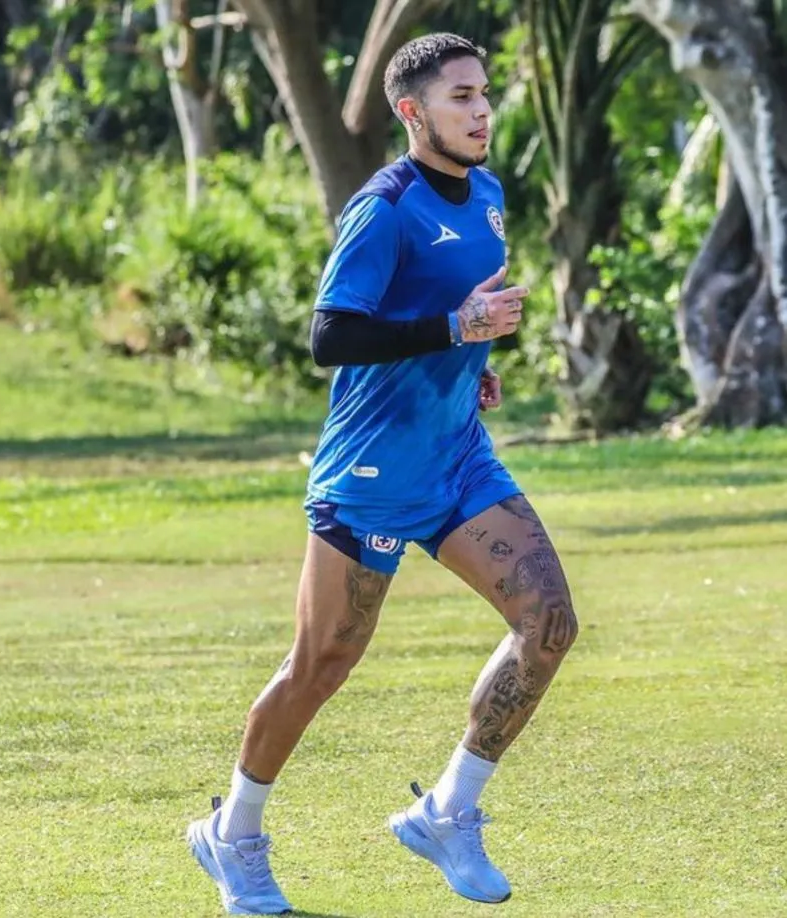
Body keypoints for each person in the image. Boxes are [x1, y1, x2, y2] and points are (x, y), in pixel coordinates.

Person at [186, 32, 578, 915]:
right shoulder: (384, 207)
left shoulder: (488, 195)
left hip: (458, 457)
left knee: (548, 621)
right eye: (460, 97)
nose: (481, 110)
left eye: (484, 93)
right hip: (371, 473)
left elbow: (455, 312)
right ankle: (233, 834)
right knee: (322, 662)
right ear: (412, 111)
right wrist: (453, 332)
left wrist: (470, 364)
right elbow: (332, 335)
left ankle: (449, 811)